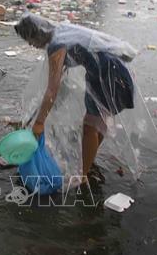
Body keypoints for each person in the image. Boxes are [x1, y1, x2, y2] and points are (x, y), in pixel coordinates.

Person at [15, 12, 147, 184]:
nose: (31, 45)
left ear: (37, 34)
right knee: (97, 123)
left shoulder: (57, 45)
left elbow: (52, 89)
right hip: (109, 73)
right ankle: (88, 161)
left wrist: (39, 122)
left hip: (108, 76)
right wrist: (42, 112)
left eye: (29, 40)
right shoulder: (61, 31)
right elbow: (59, 85)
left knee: (90, 126)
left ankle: (82, 175)